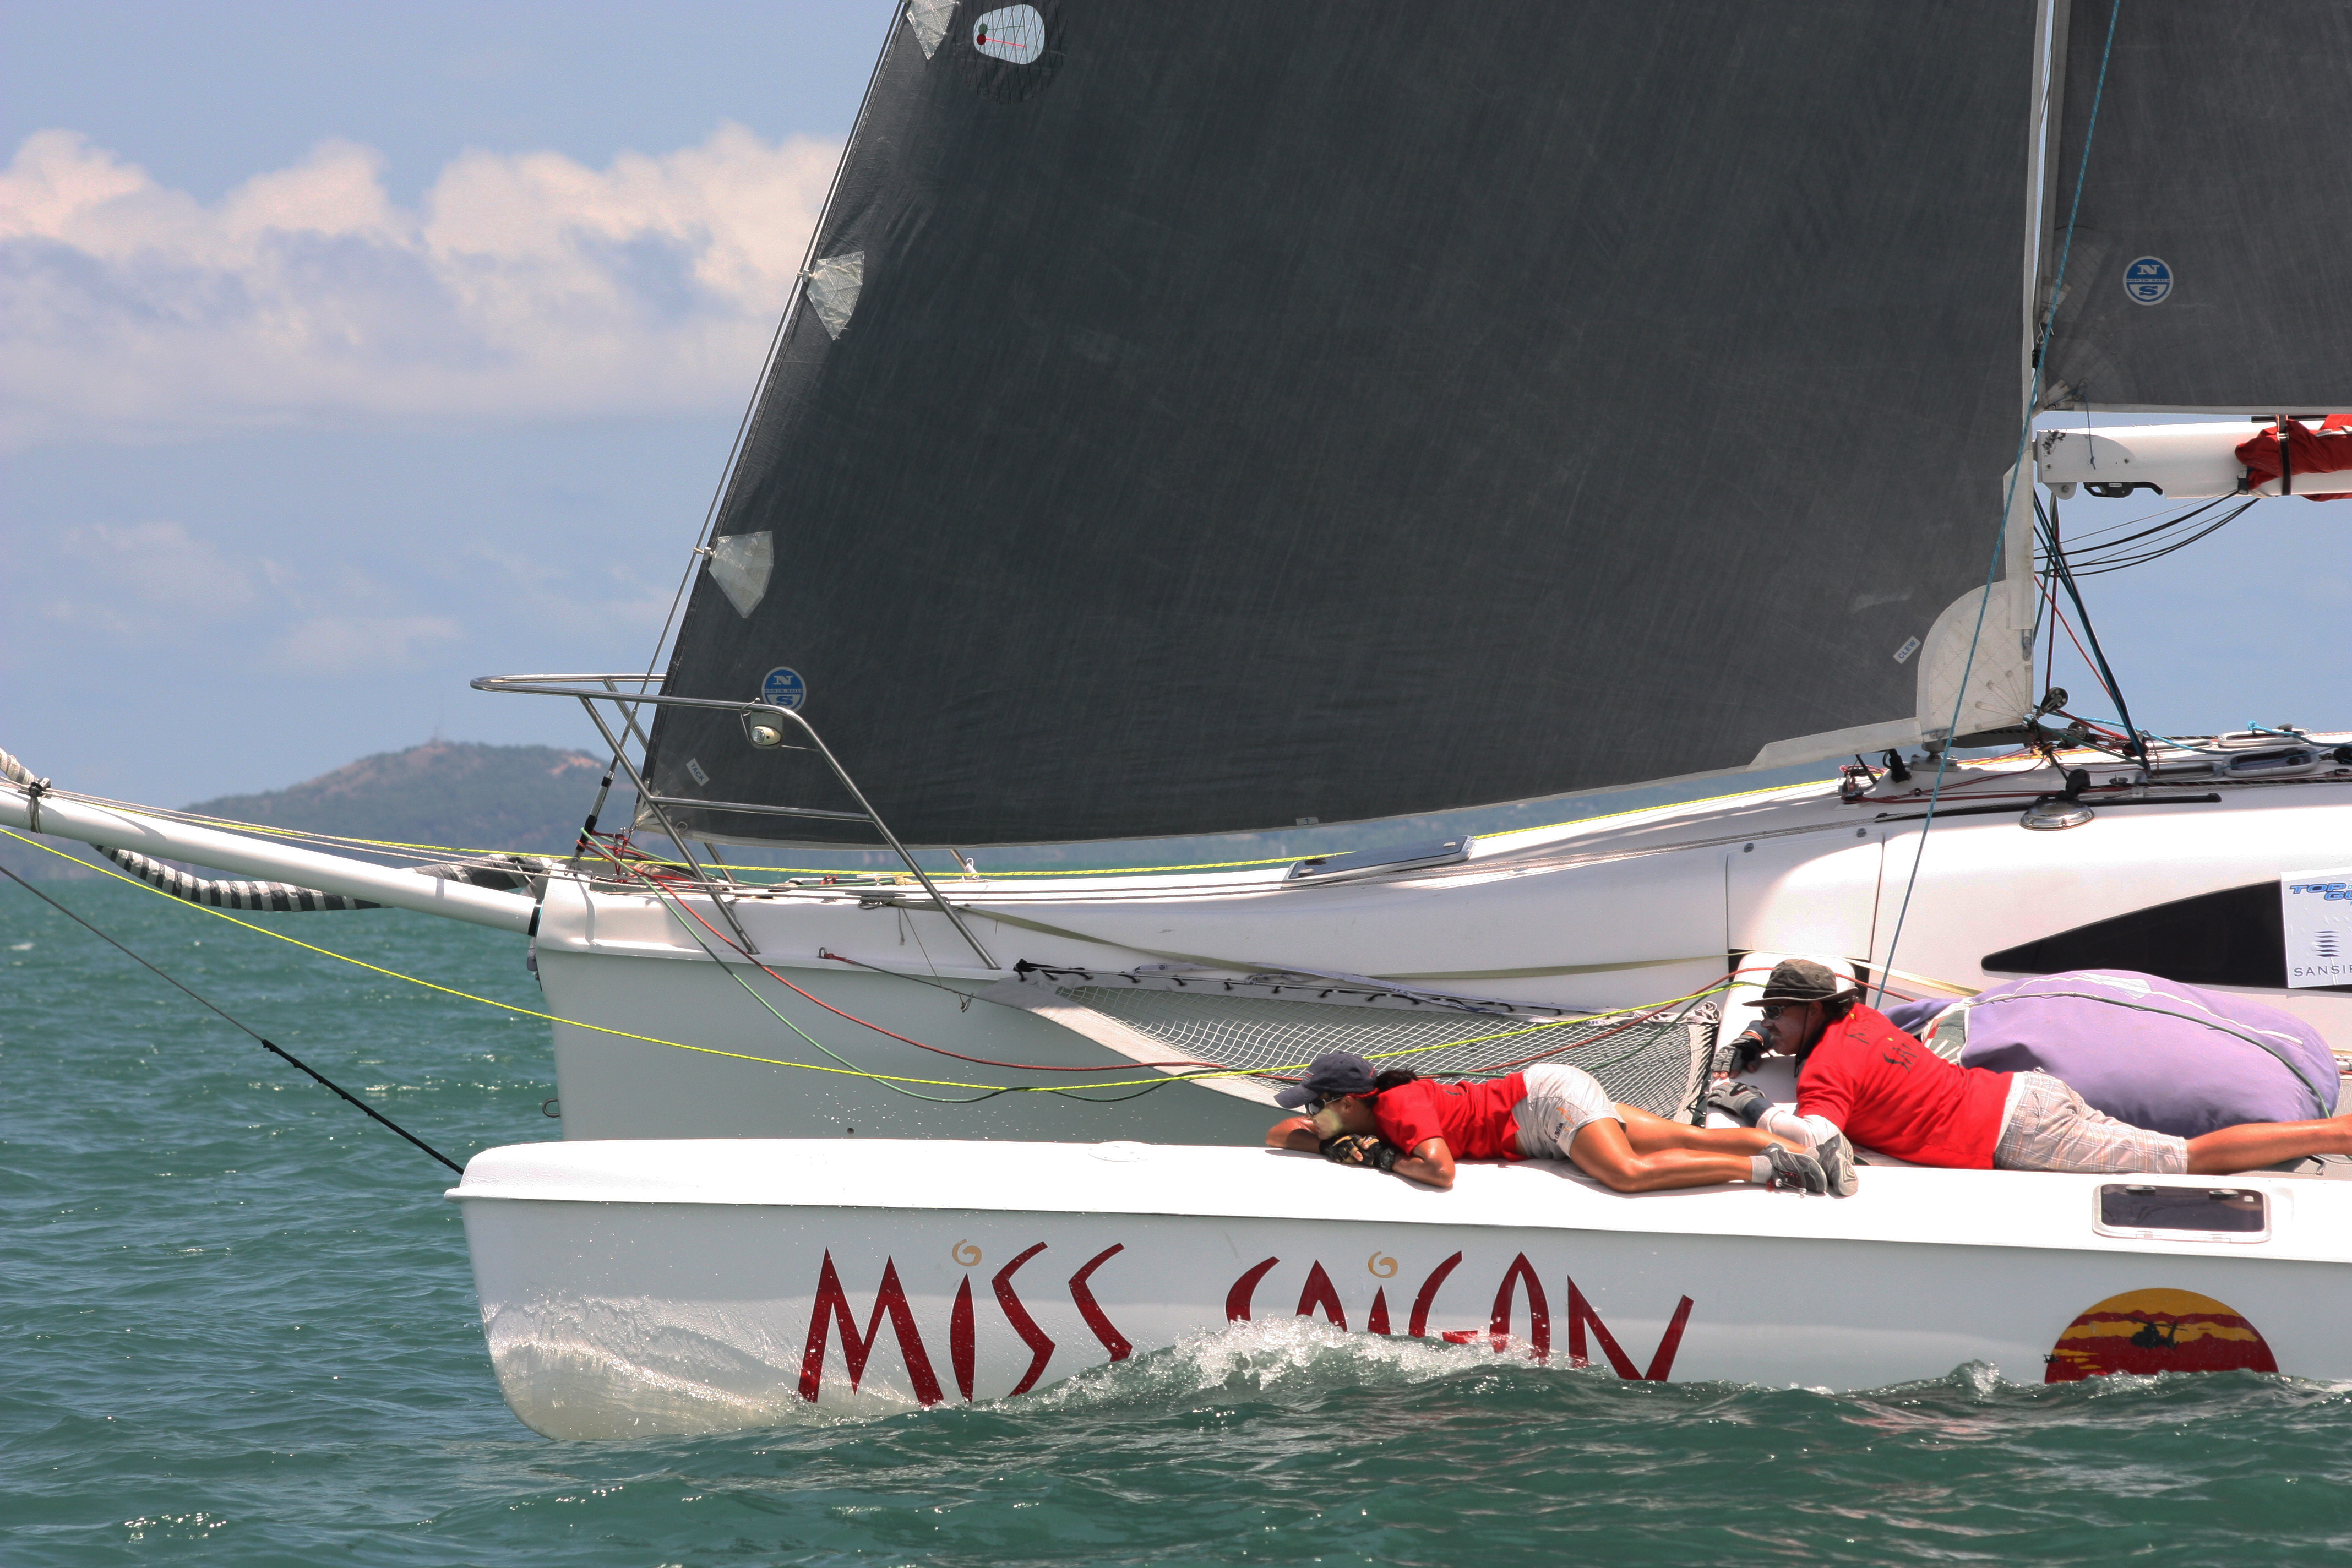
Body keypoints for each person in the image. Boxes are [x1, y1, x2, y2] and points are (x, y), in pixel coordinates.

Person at [1717, 959, 2352, 1175]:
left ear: (1815, 1012)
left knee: (2190, 1158)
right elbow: (1814, 1044)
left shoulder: (1826, 1071)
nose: (1769, 1019)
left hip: (2020, 1133)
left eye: (1778, 1009)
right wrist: (1760, 1038)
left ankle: (2339, 1134)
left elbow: (1817, 1140)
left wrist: (1746, 1104)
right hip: (2027, 1094)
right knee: (2178, 1151)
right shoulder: (1865, 1021)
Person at [1264, 1050, 1851, 1194]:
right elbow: (1277, 1135)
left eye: (1320, 1105)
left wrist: (1382, 1158)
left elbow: (1440, 1173)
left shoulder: (1398, 1107)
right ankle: (1819, 1147)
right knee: (1689, 1134)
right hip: (1547, 1092)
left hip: (1546, 1108)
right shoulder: (1372, 1109)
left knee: (1624, 1173)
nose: (1314, 1116)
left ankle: (1771, 1163)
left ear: (1355, 1100)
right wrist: (1332, 1143)